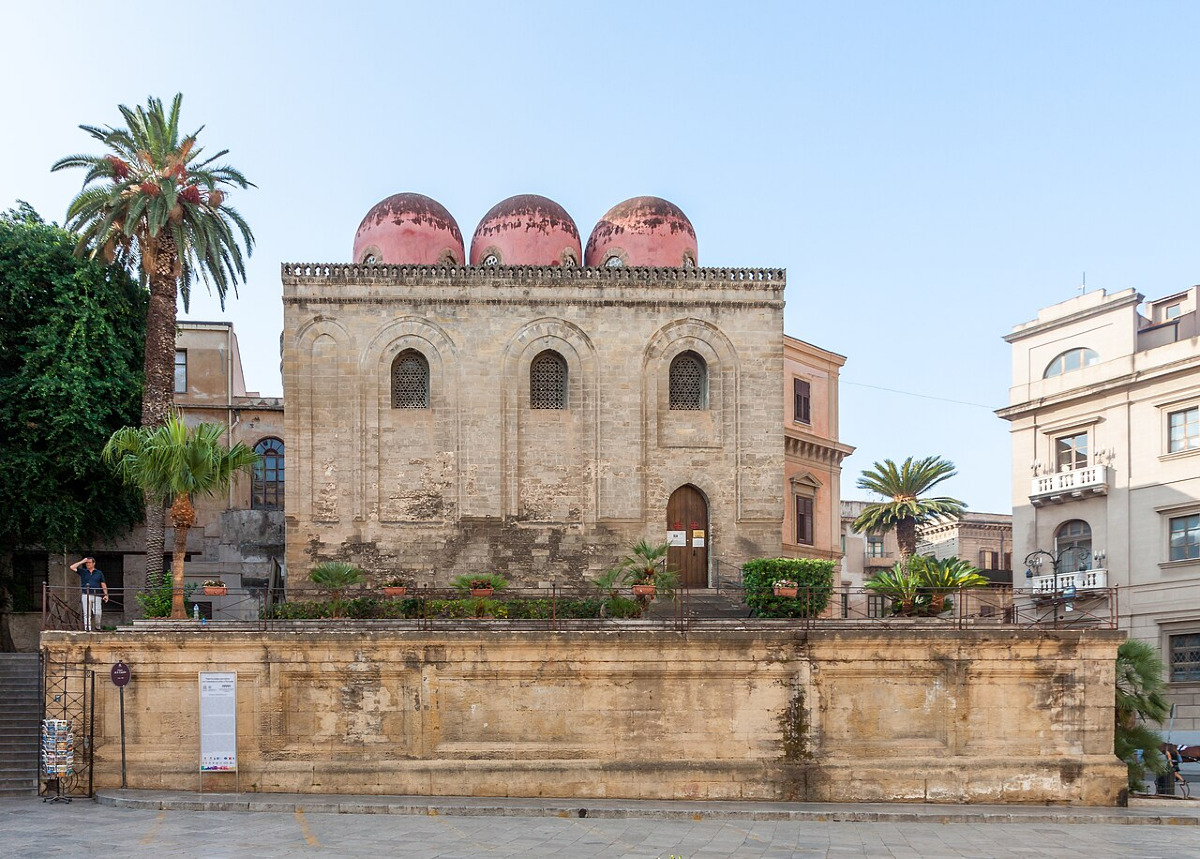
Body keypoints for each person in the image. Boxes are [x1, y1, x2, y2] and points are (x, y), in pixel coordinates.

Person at [68, 556, 108, 632]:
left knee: (98, 613)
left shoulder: (99, 573)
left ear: (94, 563)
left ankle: (97, 626)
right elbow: (72, 567)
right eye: (87, 563)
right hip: (86, 594)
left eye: (89, 562)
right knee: (87, 613)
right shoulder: (83, 571)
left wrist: (106, 594)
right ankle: (87, 629)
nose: (88, 564)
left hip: (97, 595)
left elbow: (103, 584)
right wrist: (82, 562)